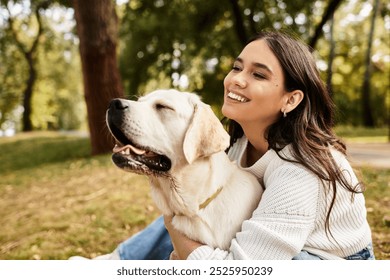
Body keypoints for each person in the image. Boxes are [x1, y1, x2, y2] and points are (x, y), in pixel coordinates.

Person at [73, 30, 374, 260]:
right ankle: (115, 262)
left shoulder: (299, 171)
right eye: (237, 67)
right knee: (193, 208)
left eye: (258, 74)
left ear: (291, 99)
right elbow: (192, 211)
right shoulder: (239, 145)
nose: (236, 80)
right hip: (274, 244)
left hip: (328, 261)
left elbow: (242, 272)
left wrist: (188, 255)